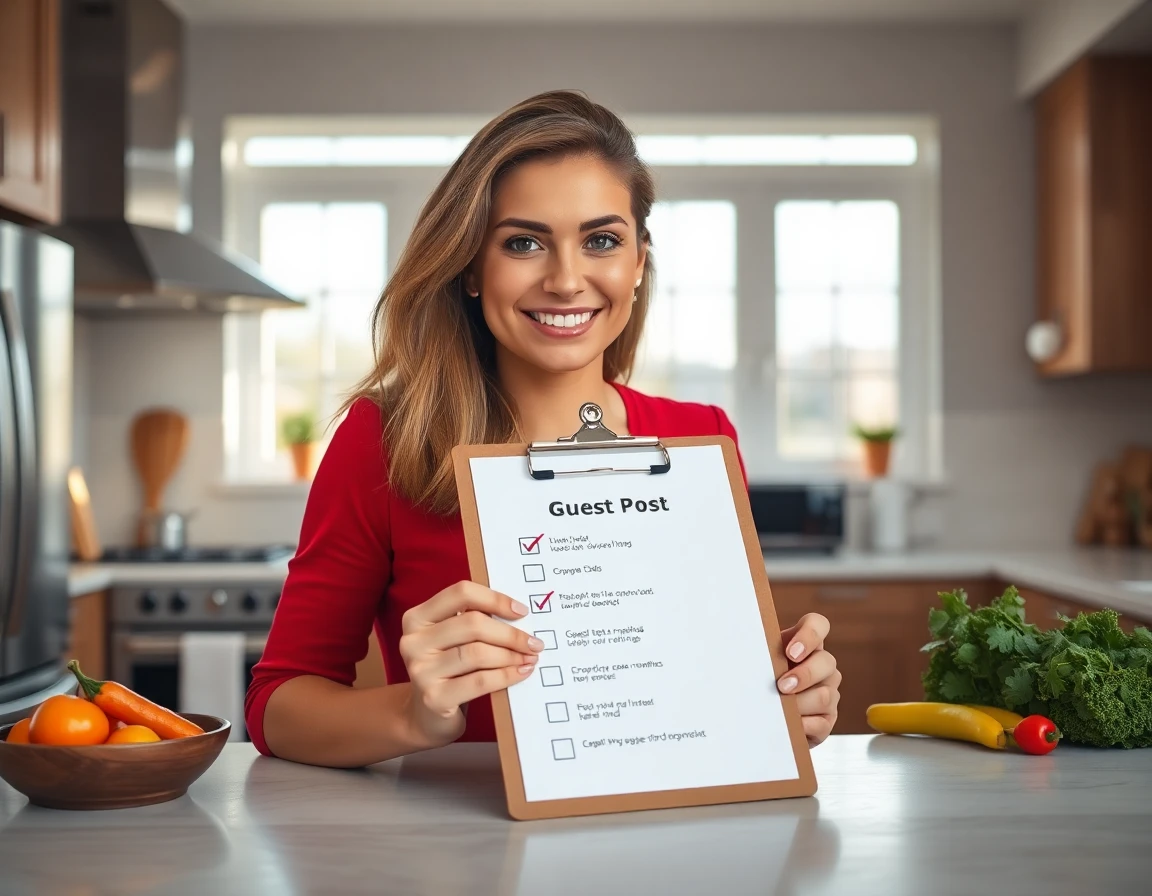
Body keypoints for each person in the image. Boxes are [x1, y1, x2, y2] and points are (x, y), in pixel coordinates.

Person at [245, 90, 841, 768]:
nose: (565, 279)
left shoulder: (701, 440)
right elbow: (278, 706)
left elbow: (703, 679)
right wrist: (415, 714)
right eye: (524, 242)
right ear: (471, 264)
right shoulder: (386, 439)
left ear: (639, 263)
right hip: (472, 855)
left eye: (602, 240)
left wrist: (788, 695)